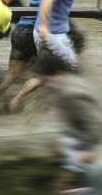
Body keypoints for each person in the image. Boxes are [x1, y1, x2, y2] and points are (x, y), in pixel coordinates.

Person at [33, 55, 102, 194]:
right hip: (84, 145)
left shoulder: (71, 93)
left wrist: (91, 152)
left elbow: (96, 123)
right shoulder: (75, 82)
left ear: (58, 73)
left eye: (47, 80)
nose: (46, 85)